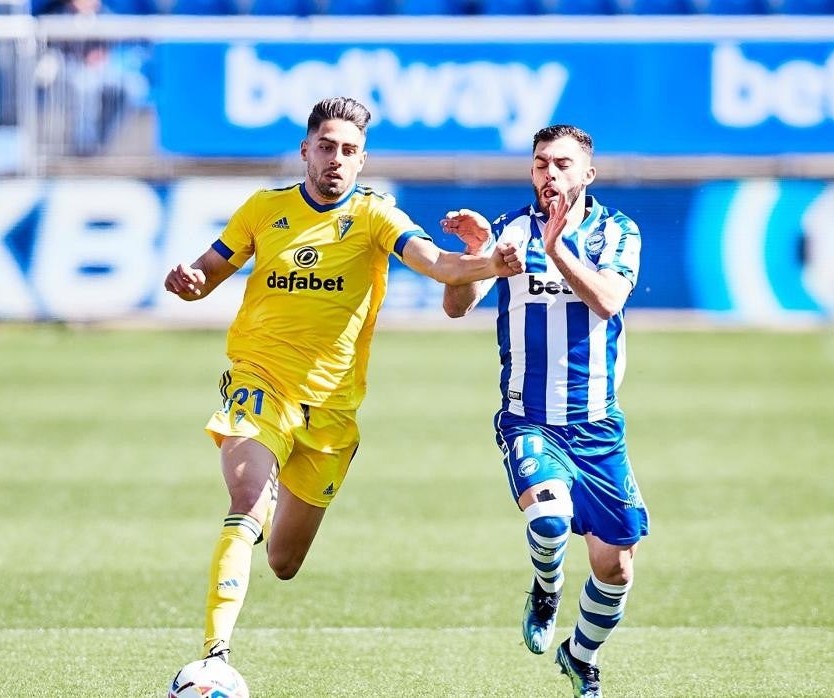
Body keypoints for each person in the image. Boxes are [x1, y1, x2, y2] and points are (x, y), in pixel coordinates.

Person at [163, 96, 523, 666]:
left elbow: (439, 266)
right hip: (260, 382)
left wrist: (487, 263)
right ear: (305, 150)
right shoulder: (263, 208)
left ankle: (276, 481)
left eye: (348, 150)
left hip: (331, 409)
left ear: (362, 160)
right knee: (248, 501)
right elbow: (207, 272)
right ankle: (213, 658)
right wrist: (186, 280)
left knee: (282, 561)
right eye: (326, 147)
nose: (335, 158)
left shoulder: (378, 216)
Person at [440, 124, 646, 698]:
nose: (548, 175)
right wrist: (477, 257)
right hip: (528, 417)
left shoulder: (618, 233)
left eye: (560, 164)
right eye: (539, 164)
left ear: (587, 174)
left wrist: (555, 249)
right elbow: (456, 306)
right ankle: (546, 587)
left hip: (598, 425)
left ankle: (580, 655)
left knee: (615, 569)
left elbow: (607, 301)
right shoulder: (508, 231)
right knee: (549, 521)